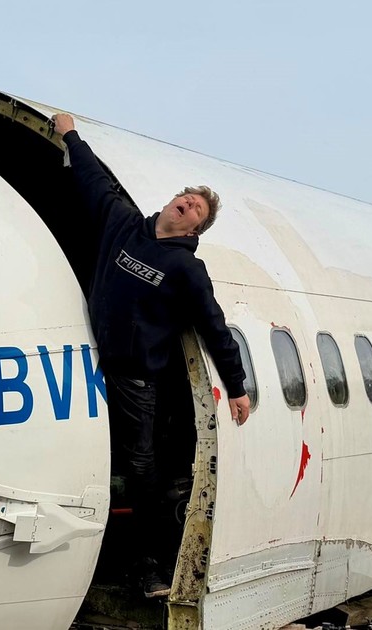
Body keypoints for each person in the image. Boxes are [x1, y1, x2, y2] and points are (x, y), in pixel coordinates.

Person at [50, 113, 251, 598]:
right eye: (187, 197)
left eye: (197, 208)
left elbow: (214, 327)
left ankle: (150, 564)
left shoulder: (186, 269)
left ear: (196, 227)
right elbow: (93, 179)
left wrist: (237, 387)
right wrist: (70, 135)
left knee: (141, 473)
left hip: (136, 379)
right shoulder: (122, 225)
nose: (188, 204)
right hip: (88, 361)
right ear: (170, 202)